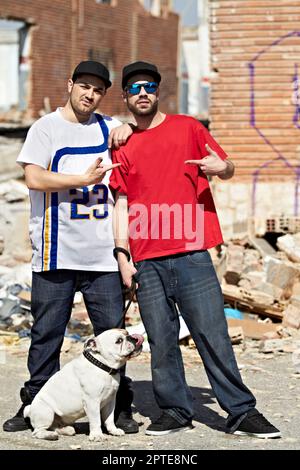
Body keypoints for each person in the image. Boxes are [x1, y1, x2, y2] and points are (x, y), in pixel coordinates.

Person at [109, 61, 281, 439]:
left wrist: (225, 167)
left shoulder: (189, 128)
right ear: (125, 95)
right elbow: (120, 202)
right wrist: (122, 256)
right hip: (147, 257)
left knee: (212, 333)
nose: (142, 93)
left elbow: (227, 166)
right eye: (135, 88)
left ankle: (240, 411)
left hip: (191, 253)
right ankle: (173, 410)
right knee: (161, 339)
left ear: (158, 91)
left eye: (149, 87)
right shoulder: (122, 142)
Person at [3, 60, 139, 434]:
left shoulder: (109, 128)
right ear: (70, 85)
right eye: (84, 86)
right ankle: (34, 403)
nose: (90, 94)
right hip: (54, 251)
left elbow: (134, 146)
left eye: (98, 90)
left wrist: (128, 128)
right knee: (46, 334)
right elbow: (33, 176)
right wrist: (80, 178)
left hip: (101, 257)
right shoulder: (45, 128)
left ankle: (120, 405)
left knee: (114, 335)